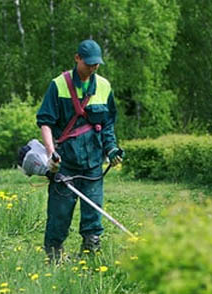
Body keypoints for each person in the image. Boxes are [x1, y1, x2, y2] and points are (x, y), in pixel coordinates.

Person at [36, 39, 124, 263]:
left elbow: (107, 125)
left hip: (93, 162)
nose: (93, 68)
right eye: (89, 63)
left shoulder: (104, 86)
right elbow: (45, 122)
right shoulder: (58, 85)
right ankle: (54, 255)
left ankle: (90, 255)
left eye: (97, 64)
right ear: (77, 58)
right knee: (59, 213)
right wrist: (50, 153)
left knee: (93, 213)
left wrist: (111, 148)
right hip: (64, 162)